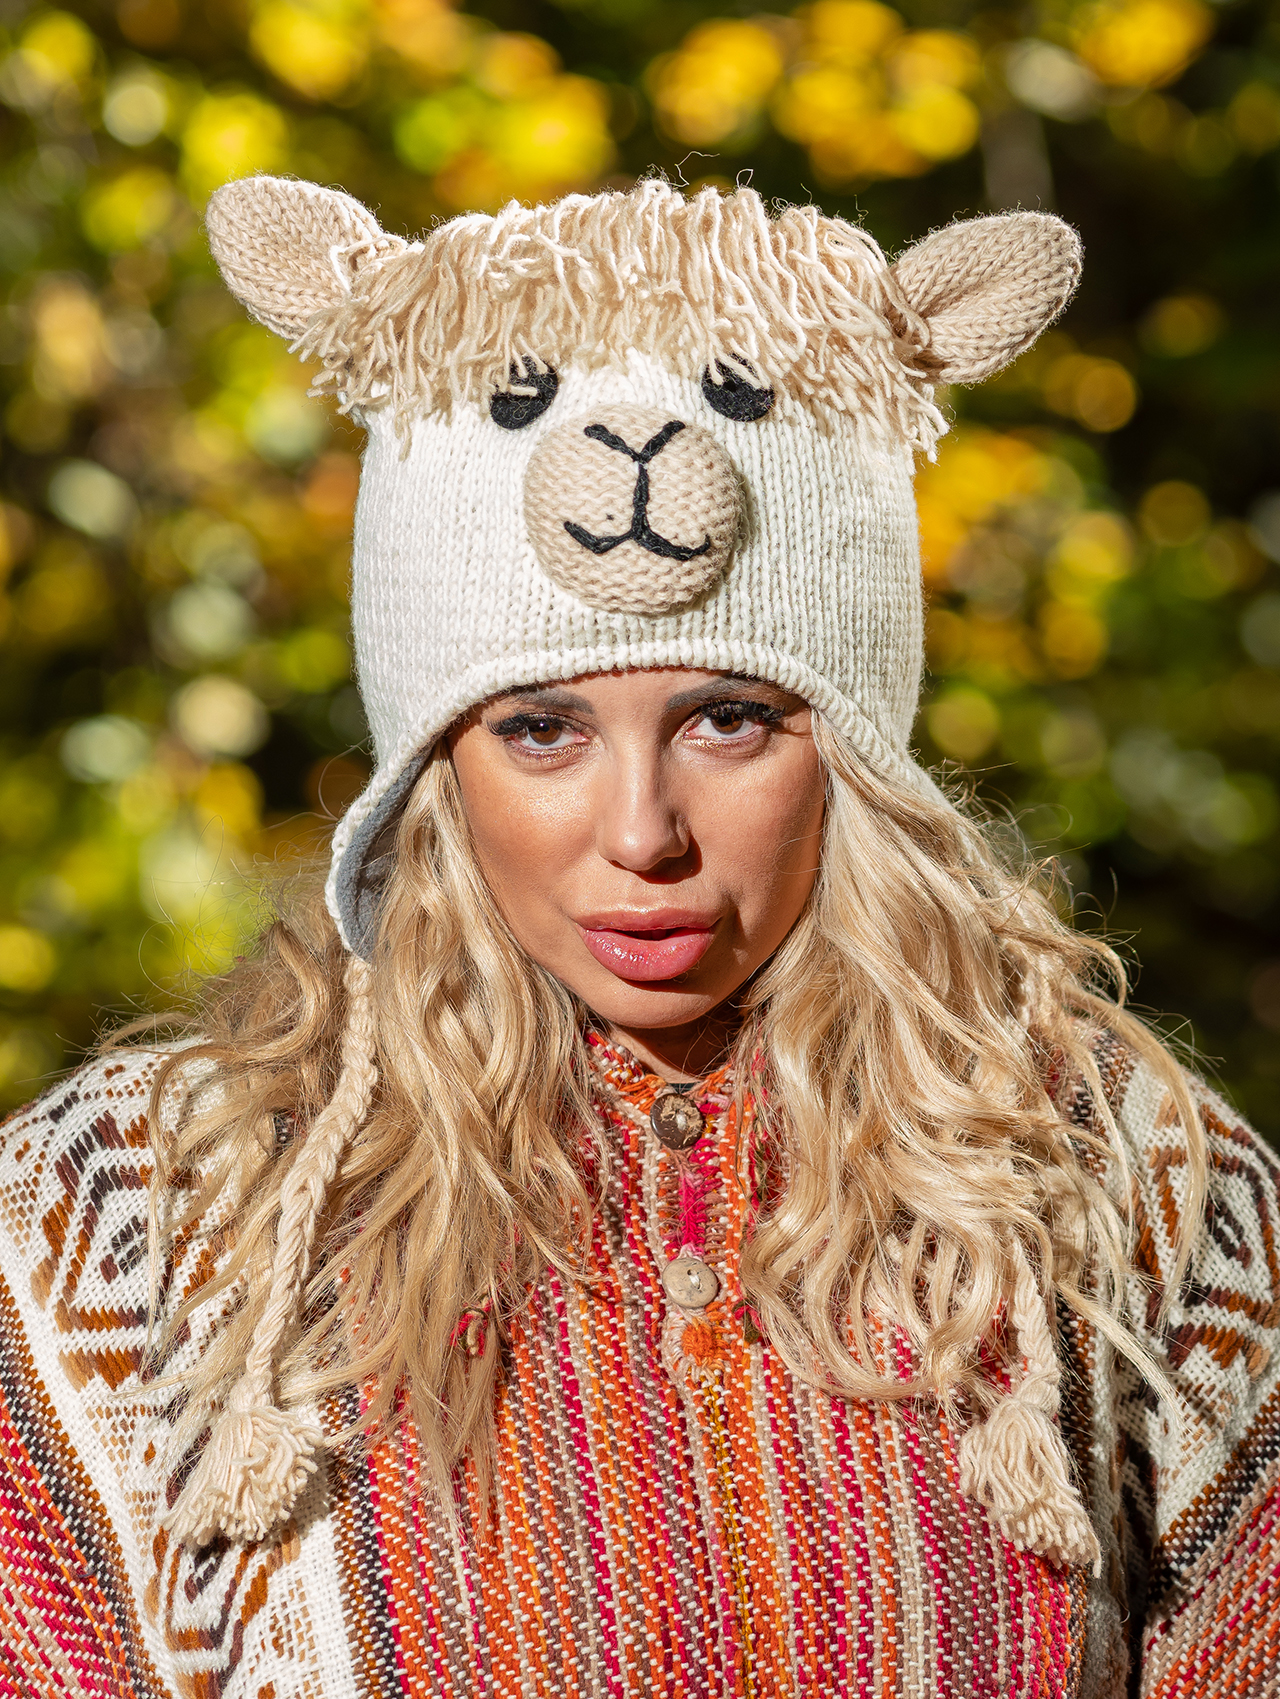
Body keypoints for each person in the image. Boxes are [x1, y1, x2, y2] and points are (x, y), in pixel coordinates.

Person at [0, 177, 1275, 1699]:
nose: (642, 833)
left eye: (730, 719)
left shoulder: (1118, 1175)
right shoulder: (139, 1205)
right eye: (541, 730)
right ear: (431, 761)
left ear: (859, 749)